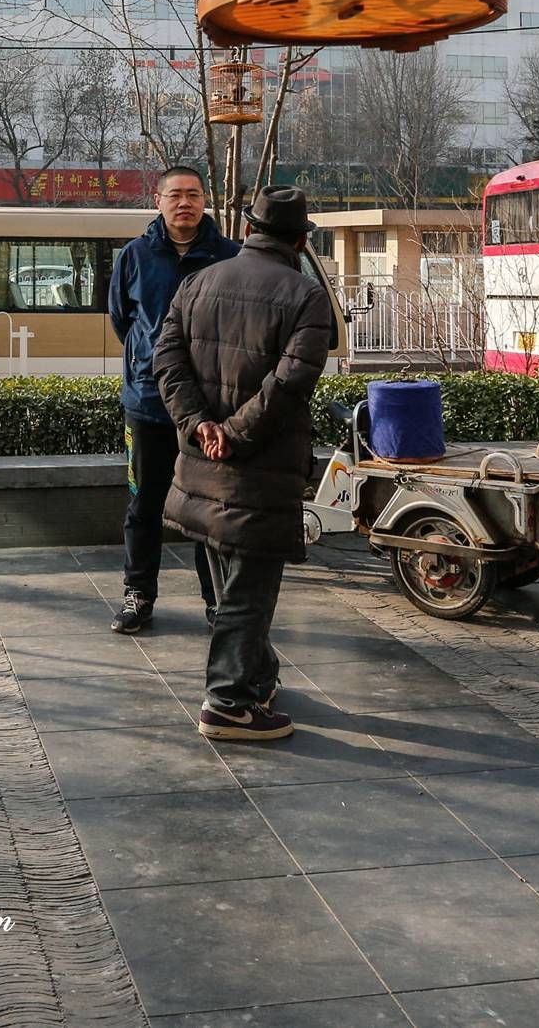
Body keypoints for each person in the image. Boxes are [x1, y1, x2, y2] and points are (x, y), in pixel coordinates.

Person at [154, 186, 333, 741]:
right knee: (245, 596)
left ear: (249, 228)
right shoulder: (305, 295)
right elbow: (291, 382)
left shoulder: (197, 283)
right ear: (300, 240)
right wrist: (233, 433)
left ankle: (256, 677)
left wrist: (198, 425)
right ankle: (228, 703)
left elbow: (166, 359)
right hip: (259, 469)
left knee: (231, 584)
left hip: (201, 468)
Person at [106, 166, 239, 633]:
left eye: (194, 195)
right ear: (158, 202)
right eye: (175, 195)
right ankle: (138, 594)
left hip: (210, 409)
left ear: (206, 201)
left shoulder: (230, 257)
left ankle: (217, 601)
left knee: (209, 509)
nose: (185, 203)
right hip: (147, 403)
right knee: (144, 503)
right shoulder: (134, 256)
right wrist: (152, 364)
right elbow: (124, 322)